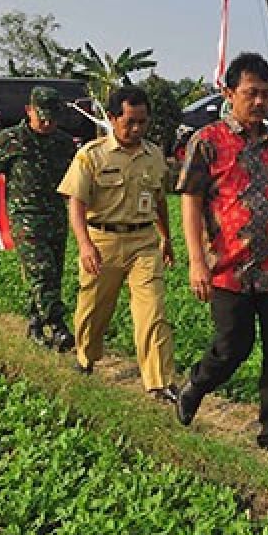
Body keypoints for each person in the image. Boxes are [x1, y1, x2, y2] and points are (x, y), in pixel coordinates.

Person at [175, 52, 268, 459]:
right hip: (229, 267)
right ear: (229, 93)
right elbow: (191, 201)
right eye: (251, 93)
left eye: (267, 94)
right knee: (233, 345)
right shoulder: (208, 142)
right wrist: (196, 259)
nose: (260, 102)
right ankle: (197, 384)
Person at [57, 84, 178, 402]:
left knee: (152, 310)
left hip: (143, 241)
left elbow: (160, 200)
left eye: (142, 122)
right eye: (130, 122)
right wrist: (84, 245)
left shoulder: (153, 156)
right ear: (112, 118)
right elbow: (76, 203)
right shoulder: (91, 155)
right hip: (102, 242)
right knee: (94, 309)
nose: (136, 129)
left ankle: (159, 381)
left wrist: (167, 237)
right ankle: (86, 356)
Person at [0, 86, 77, 348]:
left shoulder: (63, 143)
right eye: (42, 117)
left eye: (52, 118)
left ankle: (35, 322)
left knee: (52, 273)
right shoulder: (10, 139)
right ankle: (57, 324)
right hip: (25, 216)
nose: (47, 123)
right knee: (40, 269)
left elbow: (77, 182)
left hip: (55, 215)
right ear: (28, 110)